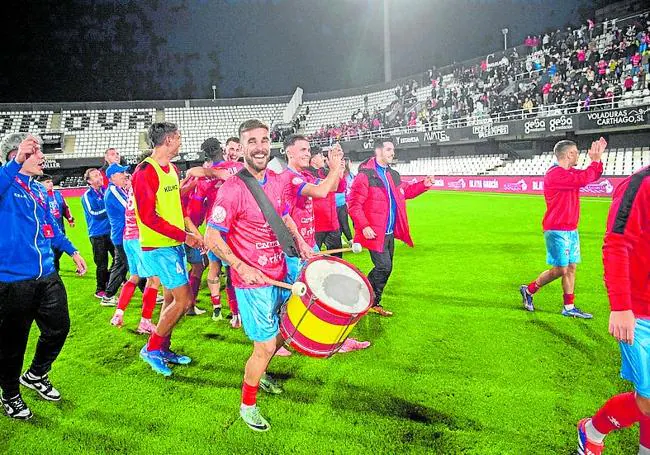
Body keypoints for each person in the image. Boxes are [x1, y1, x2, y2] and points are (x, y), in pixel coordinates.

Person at [204, 119, 314, 432]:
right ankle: (247, 405)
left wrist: (301, 243)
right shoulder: (232, 189)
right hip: (253, 284)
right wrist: (240, 266)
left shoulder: (278, 180)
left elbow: (284, 215)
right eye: (252, 141)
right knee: (265, 346)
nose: (260, 147)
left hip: (280, 272)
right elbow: (212, 238)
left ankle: (262, 371)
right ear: (242, 148)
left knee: (288, 331)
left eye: (264, 140)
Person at [0, 133, 87, 420]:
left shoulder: (38, 190)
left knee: (59, 328)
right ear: (16, 155)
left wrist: (72, 250)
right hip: (13, 280)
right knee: (13, 343)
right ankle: (10, 394)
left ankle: (36, 374)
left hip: (48, 274)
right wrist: (14, 164)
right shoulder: (6, 183)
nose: (42, 157)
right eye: (35, 151)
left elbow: (50, 226)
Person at [576, 165, 650, 455]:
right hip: (639, 312)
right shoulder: (642, 184)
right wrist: (621, 307)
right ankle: (591, 431)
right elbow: (617, 242)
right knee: (647, 400)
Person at [281, 134, 370, 355]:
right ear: (288, 152)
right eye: (302, 150)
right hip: (293, 249)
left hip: (308, 245)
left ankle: (331, 338)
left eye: (308, 149)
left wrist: (337, 166)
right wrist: (300, 241)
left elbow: (332, 188)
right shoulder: (287, 177)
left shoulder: (302, 175)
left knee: (315, 293)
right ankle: (280, 342)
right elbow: (320, 192)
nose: (307, 153)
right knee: (290, 298)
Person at [132, 122, 202, 377]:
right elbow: (148, 216)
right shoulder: (144, 172)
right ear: (169, 140)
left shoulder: (171, 169)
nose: (181, 141)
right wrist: (185, 237)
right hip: (160, 245)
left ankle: (163, 348)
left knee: (172, 300)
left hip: (172, 244)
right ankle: (151, 349)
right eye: (179, 137)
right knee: (184, 301)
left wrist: (186, 190)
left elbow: (171, 202)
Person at [519, 138, 606, 318]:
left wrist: (597, 162)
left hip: (570, 228)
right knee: (561, 269)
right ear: (569, 154)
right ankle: (529, 289)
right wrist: (595, 161)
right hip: (557, 229)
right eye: (576, 152)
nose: (578, 156)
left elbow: (590, 176)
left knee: (571, 267)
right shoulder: (555, 174)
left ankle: (569, 307)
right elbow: (584, 178)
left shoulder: (568, 172)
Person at [348, 137, 434, 317]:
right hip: (374, 232)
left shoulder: (392, 174)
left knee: (386, 268)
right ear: (378, 151)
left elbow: (405, 192)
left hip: (389, 232)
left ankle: (371, 301)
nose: (392, 153)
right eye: (388, 149)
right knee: (384, 267)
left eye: (392, 150)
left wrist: (423, 185)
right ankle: (361, 295)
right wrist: (364, 226)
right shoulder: (365, 175)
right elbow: (354, 204)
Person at [110, 165, 160, 335]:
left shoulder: (131, 189)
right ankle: (145, 322)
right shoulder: (140, 189)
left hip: (128, 238)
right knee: (154, 279)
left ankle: (119, 313)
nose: (126, 176)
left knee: (134, 277)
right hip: (139, 239)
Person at [81, 168, 115, 301]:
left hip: (111, 232)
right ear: (89, 181)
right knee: (102, 264)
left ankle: (114, 279)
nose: (100, 177)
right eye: (95, 176)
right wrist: (110, 209)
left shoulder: (106, 190)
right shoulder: (86, 196)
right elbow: (94, 214)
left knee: (120, 260)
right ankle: (100, 289)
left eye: (99, 175)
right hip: (97, 234)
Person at [102, 163, 131, 306]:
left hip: (121, 235)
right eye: (121, 173)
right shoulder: (113, 191)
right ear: (112, 177)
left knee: (120, 266)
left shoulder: (117, 190)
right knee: (134, 266)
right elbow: (129, 208)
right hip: (122, 235)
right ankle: (148, 291)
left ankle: (108, 296)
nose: (124, 175)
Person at [309, 147, 346, 258]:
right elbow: (331, 187)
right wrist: (335, 170)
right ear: (313, 159)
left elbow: (340, 188)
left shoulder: (325, 172)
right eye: (321, 156)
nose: (324, 158)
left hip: (332, 222)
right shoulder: (306, 174)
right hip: (316, 224)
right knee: (313, 261)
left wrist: (340, 172)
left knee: (337, 259)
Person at [38, 174, 75, 271]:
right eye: (47, 182)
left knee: (59, 251)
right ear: (40, 184)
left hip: (59, 228)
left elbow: (64, 207)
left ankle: (55, 268)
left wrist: (70, 219)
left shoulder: (58, 194)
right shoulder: (38, 196)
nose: (51, 183)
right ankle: (54, 271)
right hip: (46, 232)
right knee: (51, 254)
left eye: (51, 181)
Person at [335, 158, 355, 245]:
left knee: (344, 221)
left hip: (344, 202)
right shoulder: (338, 175)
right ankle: (344, 239)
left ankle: (350, 239)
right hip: (338, 202)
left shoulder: (351, 175)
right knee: (339, 222)